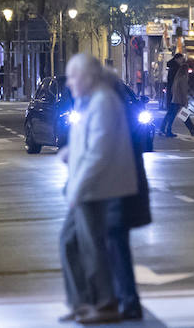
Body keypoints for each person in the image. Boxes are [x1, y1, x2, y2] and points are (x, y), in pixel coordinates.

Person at [58, 54, 138, 325]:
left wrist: (76, 189)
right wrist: (70, 151)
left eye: (73, 77)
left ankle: (104, 303)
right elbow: (88, 142)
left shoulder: (103, 101)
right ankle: (82, 302)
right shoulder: (90, 99)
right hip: (86, 185)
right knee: (70, 242)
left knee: (91, 247)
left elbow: (99, 153)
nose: (69, 83)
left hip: (96, 188)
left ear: (88, 77)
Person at [105, 79, 150, 321]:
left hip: (115, 196)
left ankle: (125, 301)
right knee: (113, 247)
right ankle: (121, 299)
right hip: (120, 194)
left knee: (114, 246)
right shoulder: (123, 120)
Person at [164, 57, 194, 137]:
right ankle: (192, 129)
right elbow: (183, 90)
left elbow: (173, 89)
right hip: (179, 100)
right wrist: (184, 101)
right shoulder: (183, 79)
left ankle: (192, 129)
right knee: (177, 115)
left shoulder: (177, 78)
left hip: (176, 99)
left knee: (178, 115)